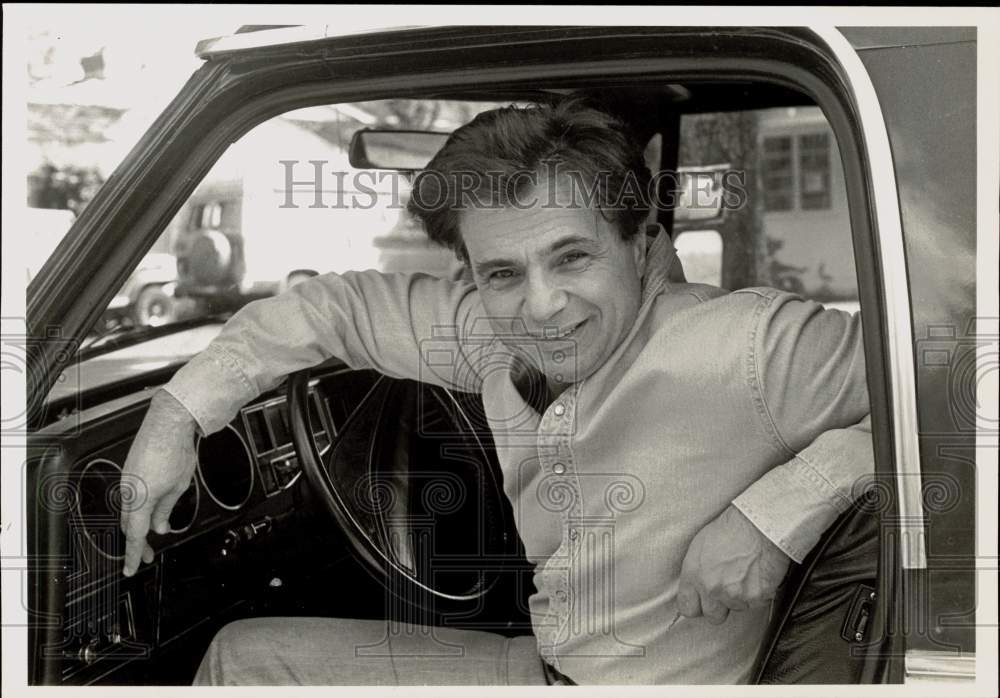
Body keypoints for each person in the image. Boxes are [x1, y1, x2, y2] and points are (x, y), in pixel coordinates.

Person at [120, 97, 873, 685]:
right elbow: (332, 308)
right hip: (552, 667)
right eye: (503, 274)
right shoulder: (487, 332)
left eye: (572, 257)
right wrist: (175, 414)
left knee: (240, 665)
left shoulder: (751, 347)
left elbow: (954, 393)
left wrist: (778, 514)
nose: (541, 306)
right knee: (246, 654)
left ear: (640, 242)